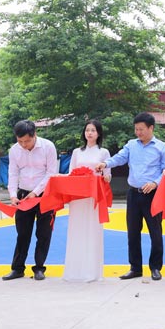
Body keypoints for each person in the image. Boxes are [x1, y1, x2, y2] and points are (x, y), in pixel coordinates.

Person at [96, 112, 165, 281]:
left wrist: (155, 182)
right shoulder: (131, 145)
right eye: (136, 129)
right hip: (133, 194)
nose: (138, 132)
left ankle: (155, 267)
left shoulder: (161, 147)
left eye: (141, 129)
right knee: (132, 232)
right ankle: (135, 268)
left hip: (153, 195)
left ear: (151, 128)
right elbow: (120, 158)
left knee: (155, 232)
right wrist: (105, 163)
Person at [3, 120, 59, 281]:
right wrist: (13, 194)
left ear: (34, 135)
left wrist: (36, 192)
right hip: (23, 196)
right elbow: (13, 173)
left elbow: (51, 173)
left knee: (43, 232)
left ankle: (39, 268)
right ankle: (17, 268)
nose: (23, 144)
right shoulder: (14, 150)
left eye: (26, 141)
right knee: (22, 232)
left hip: (45, 195)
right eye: (20, 141)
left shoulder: (48, 147)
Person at [62, 119, 112, 283]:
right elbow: (71, 174)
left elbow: (108, 177)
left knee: (92, 230)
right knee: (76, 230)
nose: (89, 133)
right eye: (87, 130)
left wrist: (103, 174)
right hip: (78, 197)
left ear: (98, 133)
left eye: (93, 130)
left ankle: (92, 272)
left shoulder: (103, 152)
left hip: (94, 197)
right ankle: (74, 271)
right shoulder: (77, 152)